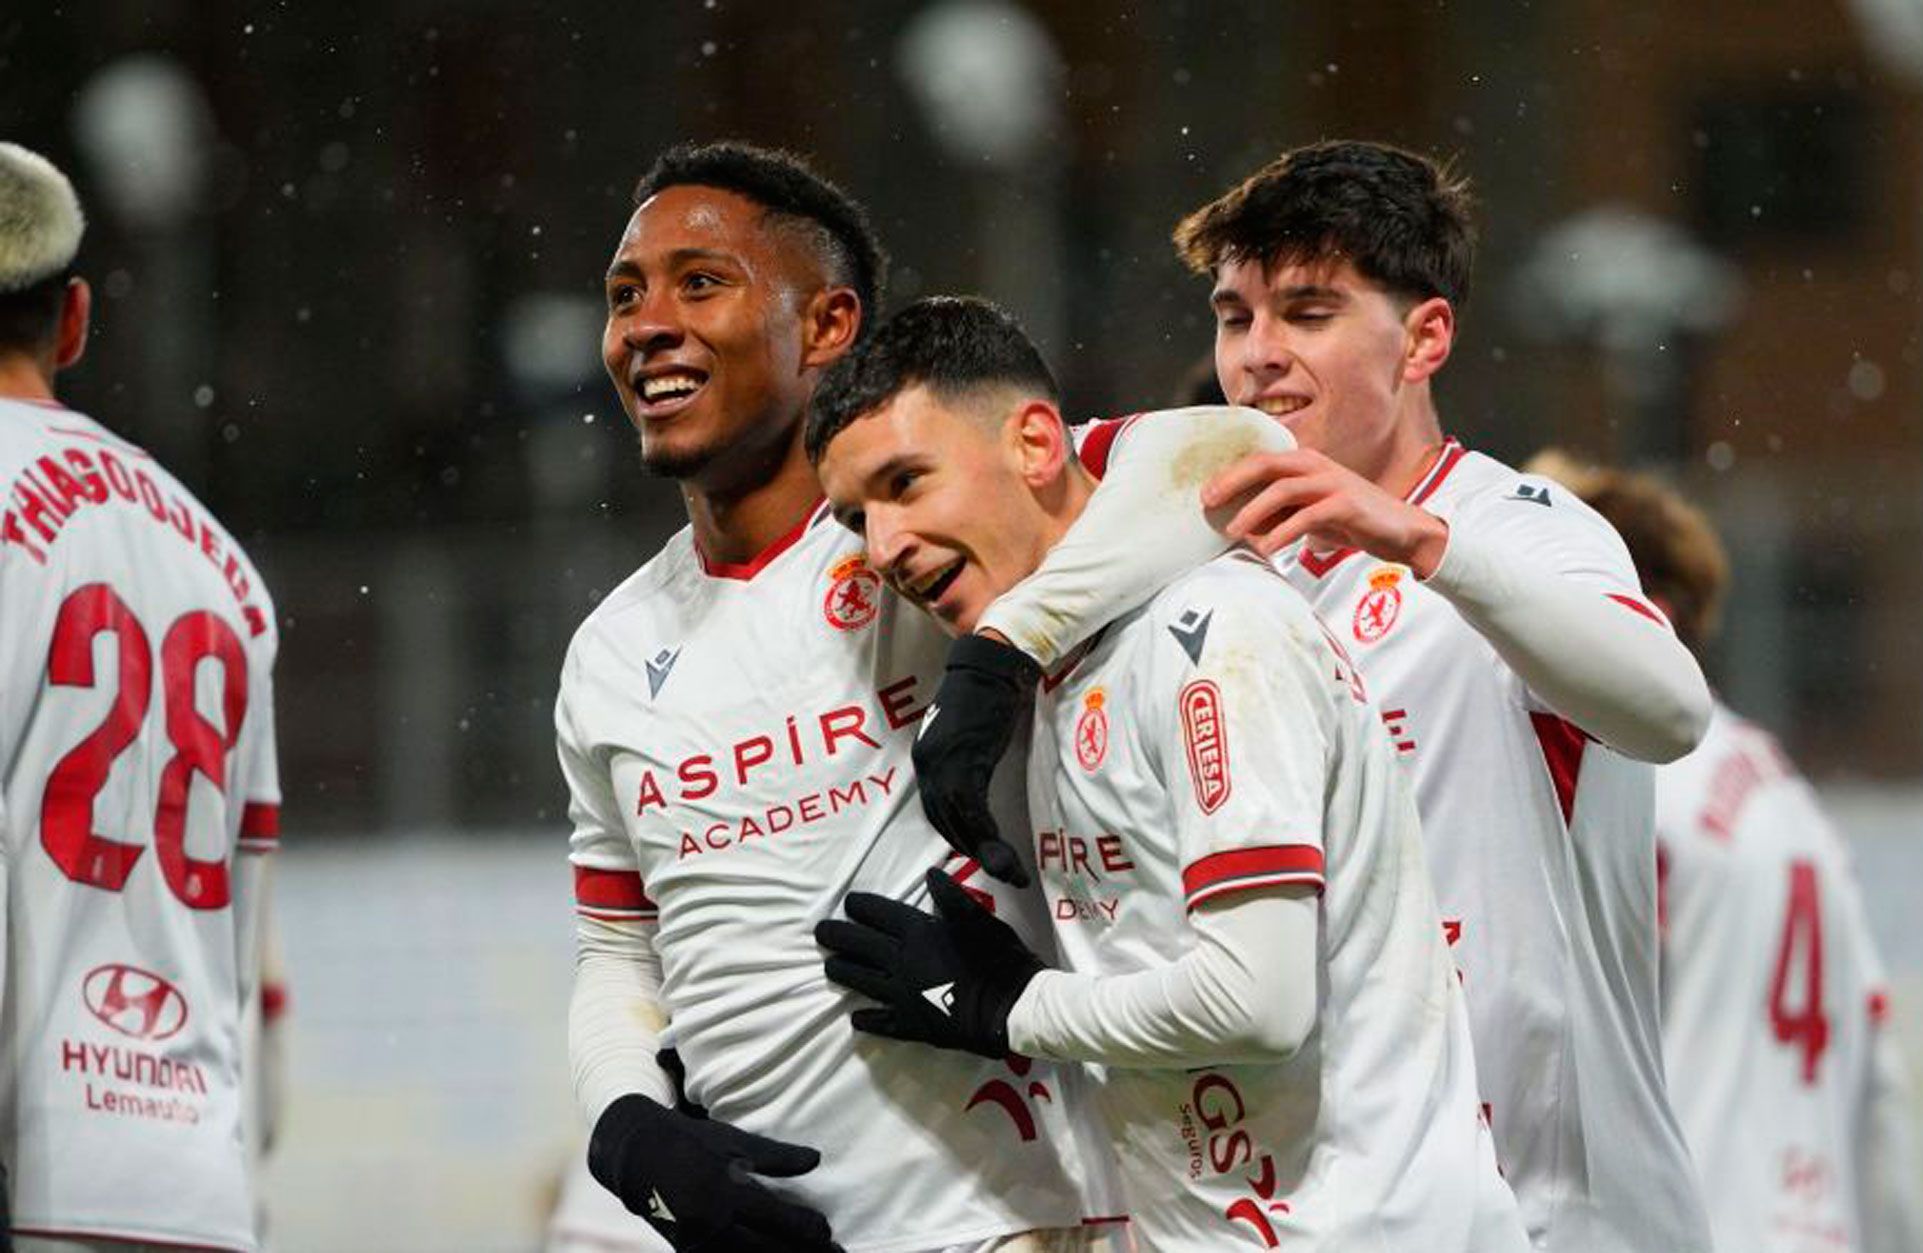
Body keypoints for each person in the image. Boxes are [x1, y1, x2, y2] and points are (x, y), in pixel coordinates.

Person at [559, 141, 1287, 1253]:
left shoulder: (942, 536)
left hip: (1017, 1219)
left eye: (700, 283)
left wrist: (1004, 644)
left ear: (826, 325)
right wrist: (625, 1125)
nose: (645, 324)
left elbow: (1236, 451)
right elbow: (618, 946)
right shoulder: (610, 649)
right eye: (624, 296)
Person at [807, 294, 1528, 1253]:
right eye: (859, 515)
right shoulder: (1061, 664)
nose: (884, 545)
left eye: (907, 482)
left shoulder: (1213, 633)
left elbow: (1257, 1001)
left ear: (1033, 444)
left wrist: (1009, 1007)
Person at [1142, 139, 1714, 1253]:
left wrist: (1418, 541)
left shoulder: (1519, 526)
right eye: (1232, 317)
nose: (1256, 356)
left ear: (1424, 337)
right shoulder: (1212, 588)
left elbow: (1667, 710)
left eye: (1306, 312)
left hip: (1554, 1214)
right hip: (1342, 1207)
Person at [1526, 451, 1920, 1253]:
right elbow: (1881, 1085)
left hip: (1681, 1225)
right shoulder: (1789, 797)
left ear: (1647, 610)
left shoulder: (1624, 782)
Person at [0, 143, 282, 1253]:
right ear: (73, 318)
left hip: (26, 1155)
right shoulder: (221, 560)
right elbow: (247, 950)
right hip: (186, 1177)